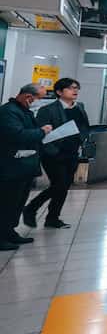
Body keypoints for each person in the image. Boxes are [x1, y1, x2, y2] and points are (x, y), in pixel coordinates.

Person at [25, 78, 90, 230]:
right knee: (59, 184)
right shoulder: (47, 110)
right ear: (59, 92)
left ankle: (53, 218)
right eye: (70, 88)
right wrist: (54, 151)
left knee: (64, 186)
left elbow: (84, 127)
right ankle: (31, 208)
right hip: (53, 154)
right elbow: (41, 134)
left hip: (72, 153)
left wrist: (81, 140)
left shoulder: (79, 108)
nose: (75, 91)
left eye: (76, 88)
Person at [0, 84, 51, 249]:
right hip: (11, 167)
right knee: (7, 202)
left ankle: (10, 232)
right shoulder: (9, 112)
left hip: (24, 166)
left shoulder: (24, 112)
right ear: (29, 97)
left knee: (17, 201)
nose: (40, 102)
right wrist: (42, 131)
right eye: (40, 98)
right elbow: (17, 135)